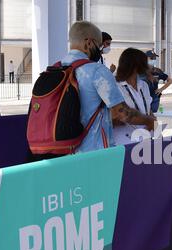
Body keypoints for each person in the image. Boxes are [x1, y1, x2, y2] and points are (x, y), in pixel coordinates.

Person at [60, 21, 154, 154]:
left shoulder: (56, 69)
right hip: (93, 151)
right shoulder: (97, 70)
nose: (100, 50)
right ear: (88, 43)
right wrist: (148, 120)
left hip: (65, 149)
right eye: (99, 45)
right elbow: (121, 113)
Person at [115, 48, 155, 145]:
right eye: (145, 63)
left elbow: (148, 110)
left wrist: (156, 129)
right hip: (126, 141)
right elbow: (117, 117)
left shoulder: (144, 85)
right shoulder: (115, 86)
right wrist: (148, 121)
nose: (148, 66)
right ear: (136, 66)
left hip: (147, 137)